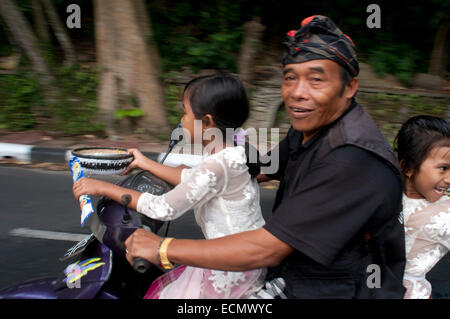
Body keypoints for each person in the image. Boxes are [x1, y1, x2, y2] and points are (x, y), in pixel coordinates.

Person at [124, 15, 407, 298]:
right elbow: (256, 169)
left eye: (316, 80)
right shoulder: (311, 129)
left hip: (335, 291)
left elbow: (266, 248)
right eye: (290, 78)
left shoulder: (351, 158)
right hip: (297, 274)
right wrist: (194, 172)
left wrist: (162, 247)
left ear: (350, 87)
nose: (297, 93)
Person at [73, 73, 267, 298]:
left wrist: (103, 188)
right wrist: (145, 163)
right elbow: (192, 178)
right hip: (243, 260)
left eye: (185, 112)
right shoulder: (231, 152)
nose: (181, 119)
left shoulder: (219, 165)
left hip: (230, 270)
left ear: (206, 123)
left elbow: (162, 208)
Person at [393, 115, 450, 299]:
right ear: (408, 167)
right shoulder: (386, 195)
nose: (449, 179)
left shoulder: (445, 214)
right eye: (443, 168)